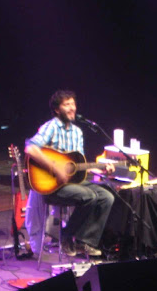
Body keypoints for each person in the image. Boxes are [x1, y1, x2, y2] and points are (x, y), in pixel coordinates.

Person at [24, 90, 115, 257]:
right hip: (53, 186)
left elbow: (78, 165)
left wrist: (101, 169)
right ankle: (66, 236)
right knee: (89, 196)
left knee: (107, 197)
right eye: (67, 104)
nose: (72, 108)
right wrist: (55, 167)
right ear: (57, 109)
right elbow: (31, 148)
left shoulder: (77, 132)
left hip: (73, 183)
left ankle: (84, 241)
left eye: (73, 104)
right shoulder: (51, 127)